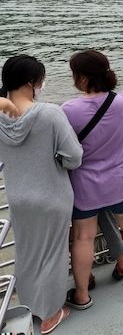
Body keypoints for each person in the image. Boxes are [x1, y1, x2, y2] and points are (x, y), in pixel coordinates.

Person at [62, 50, 123, 312]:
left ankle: (82, 295)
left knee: (83, 238)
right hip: (121, 181)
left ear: (81, 78)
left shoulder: (69, 110)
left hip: (86, 186)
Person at [0, 55, 81, 334]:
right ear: (30, 83)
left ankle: (30, 305)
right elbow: (74, 156)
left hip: (18, 197)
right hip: (52, 195)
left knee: (27, 252)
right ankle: (50, 315)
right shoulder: (50, 113)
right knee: (53, 255)